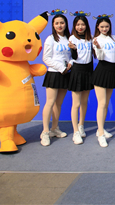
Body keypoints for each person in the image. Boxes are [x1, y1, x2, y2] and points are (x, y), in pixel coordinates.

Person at [40, 10, 72, 146]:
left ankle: (54, 128)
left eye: (62, 23)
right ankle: (45, 132)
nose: (59, 25)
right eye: (57, 23)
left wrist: (70, 64)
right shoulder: (50, 39)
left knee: (58, 104)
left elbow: (71, 56)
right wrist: (61, 68)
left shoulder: (69, 38)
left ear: (66, 24)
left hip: (66, 74)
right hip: (54, 73)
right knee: (50, 102)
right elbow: (46, 58)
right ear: (53, 25)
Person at [67, 11, 94, 145]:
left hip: (88, 71)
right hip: (77, 71)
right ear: (74, 26)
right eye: (78, 25)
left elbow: (93, 55)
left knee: (84, 102)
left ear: (86, 26)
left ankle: (81, 125)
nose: (80, 27)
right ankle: (75, 131)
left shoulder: (90, 38)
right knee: (76, 103)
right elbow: (74, 58)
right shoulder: (72, 38)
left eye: (82, 24)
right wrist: (73, 49)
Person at [92, 14, 115, 148]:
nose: (104, 29)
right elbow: (100, 57)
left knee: (106, 104)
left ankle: (100, 129)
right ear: (98, 27)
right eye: (102, 27)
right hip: (101, 71)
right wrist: (98, 47)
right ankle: (101, 134)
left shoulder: (114, 38)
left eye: (106, 26)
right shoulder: (96, 39)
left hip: (111, 71)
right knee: (101, 104)